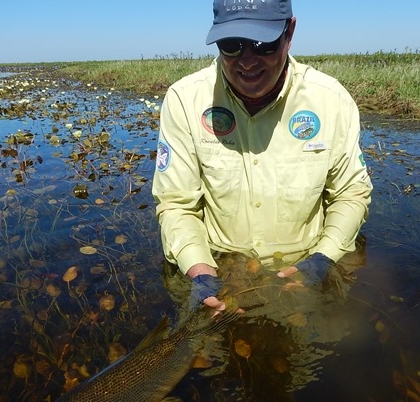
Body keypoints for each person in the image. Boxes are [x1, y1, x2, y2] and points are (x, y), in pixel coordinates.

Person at [152, 0, 372, 312]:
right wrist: (201, 273)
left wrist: (323, 258)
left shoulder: (331, 100)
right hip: (220, 269)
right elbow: (176, 203)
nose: (247, 61)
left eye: (262, 44)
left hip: (307, 266)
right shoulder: (185, 101)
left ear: (289, 32)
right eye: (231, 45)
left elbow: (351, 193)